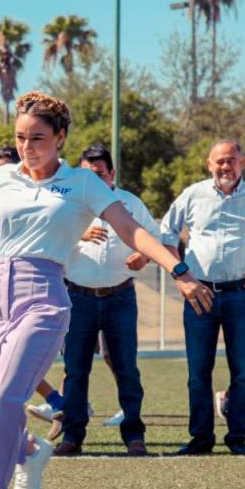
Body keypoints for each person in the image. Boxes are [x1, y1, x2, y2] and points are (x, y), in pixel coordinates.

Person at [0, 91, 212, 489]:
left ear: (61, 137)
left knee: (3, 399)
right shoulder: (0, 181)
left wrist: (179, 270)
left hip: (44, 297)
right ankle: (29, 451)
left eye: (38, 138)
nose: (28, 147)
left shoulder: (84, 184)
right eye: (20, 137)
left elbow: (133, 232)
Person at [161, 140, 245, 455]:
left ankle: (237, 437)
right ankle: (200, 437)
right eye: (219, 161)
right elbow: (166, 234)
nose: (225, 167)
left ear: (241, 163)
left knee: (241, 370)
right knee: (198, 371)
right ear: (209, 164)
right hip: (200, 293)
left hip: (240, 293)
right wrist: (180, 274)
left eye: (231, 161)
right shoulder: (193, 195)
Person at [52, 143, 159, 456]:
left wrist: (142, 257)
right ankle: (72, 436)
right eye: (88, 174)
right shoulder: (68, 204)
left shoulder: (128, 203)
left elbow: (152, 238)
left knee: (126, 367)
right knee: (75, 370)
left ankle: (134, 435)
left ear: (112, 174)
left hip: (120, 296)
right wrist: (79, 234)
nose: (94, 179)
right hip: (77, 296)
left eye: (100, 173)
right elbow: (50, 238)